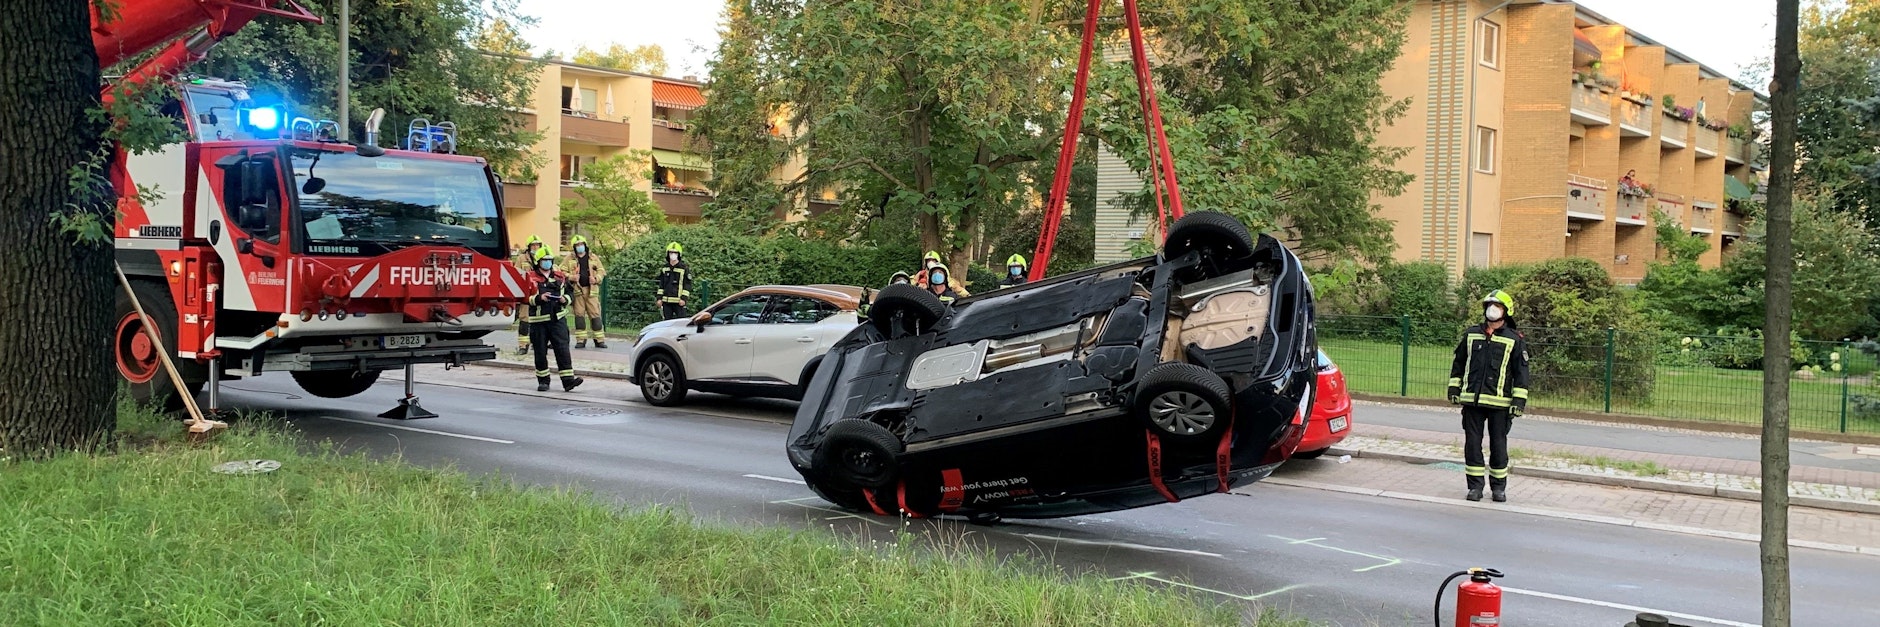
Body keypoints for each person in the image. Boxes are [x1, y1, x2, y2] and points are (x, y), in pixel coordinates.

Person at [1447, 289, 1530, 503]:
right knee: (1472, 445)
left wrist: (1518, 401)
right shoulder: (1471, 333)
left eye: (1498, 306)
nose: (1492, 310)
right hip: (1472, 402)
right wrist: (1454, 388)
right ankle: (1475, 487)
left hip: (1500, 404)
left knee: (1498, 446)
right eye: (1489, 306)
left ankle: (1498, 488)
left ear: (1506, 311)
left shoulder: (1514, 340)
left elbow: (1522, 373)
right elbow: (1459, 363)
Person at [526, 248, 584, 393]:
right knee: (540, 352)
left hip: (558, 319)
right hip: (538, 321)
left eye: (549, 260)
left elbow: (570, 292)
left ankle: (568, 381)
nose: (547, 263)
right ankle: (543, 381)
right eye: (544, 260)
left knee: (562, 349)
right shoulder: (530, 277)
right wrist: (539, 298)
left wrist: (566, 299)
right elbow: (524, 297)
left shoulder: (559, 277)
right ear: (538, 262)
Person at [567, 235, 608, 349]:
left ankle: (599, 340)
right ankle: (581, 340)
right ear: (574, 247)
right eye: (577, 245)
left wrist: (596, 279)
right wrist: (571, 277)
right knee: (579, 316)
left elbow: (601, 271)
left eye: (581, 244)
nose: (580, 247)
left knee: (595, 316)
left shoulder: (593, 257)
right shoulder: (569, 259)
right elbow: (561, 272)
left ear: (585, 245)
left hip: (591, 291)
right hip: (578, 291)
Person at [511, 235, 546, 355]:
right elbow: (515, 274)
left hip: (540, 295)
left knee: (540, 320)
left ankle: (539, 344)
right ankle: (523, 345)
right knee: (524, 320)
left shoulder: (543, 257)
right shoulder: (522, 258)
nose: (535, 247)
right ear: (529, 247)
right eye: (533, 245)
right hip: (526, 294)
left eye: (538, 245)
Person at [656, 242, 692, 320]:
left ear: (679, 254)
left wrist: (683, 298)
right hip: (666, 302)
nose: (673, 254)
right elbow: (661, 285)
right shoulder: (665, 268)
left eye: (675, 252)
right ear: (668, 254)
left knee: (681, 323)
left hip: (679, 302)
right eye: (671, 252)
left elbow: (687, 285)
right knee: (667, 323)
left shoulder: (683, 268)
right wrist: (659, 298)